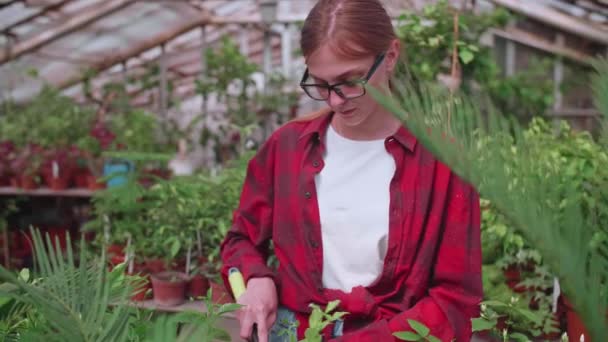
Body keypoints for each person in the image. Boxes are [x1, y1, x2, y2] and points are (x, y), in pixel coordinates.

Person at [220, 0, 483, 341]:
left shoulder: (444, 163)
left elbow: (456, 299)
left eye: (349, 80)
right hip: (293, 331)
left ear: (390, 57)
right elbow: (241, 240)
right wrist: (256, 280)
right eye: (321, 83)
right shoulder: (286, 149)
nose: (335, 101)